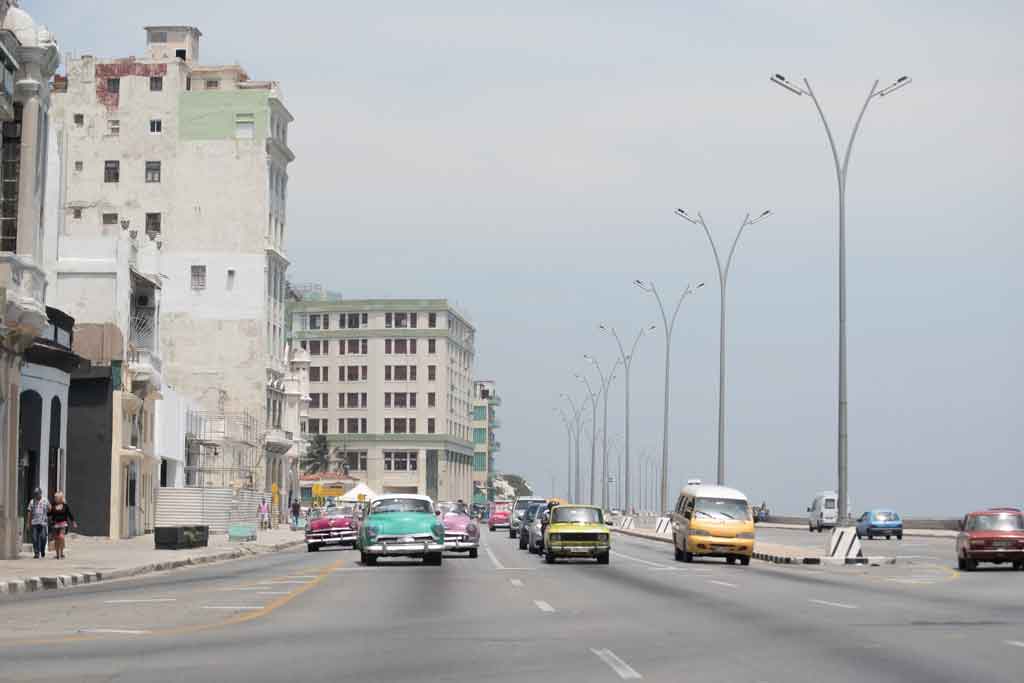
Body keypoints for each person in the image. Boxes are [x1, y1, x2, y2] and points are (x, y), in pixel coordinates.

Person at [48, 491, 76, 559]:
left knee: (61, 537)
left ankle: (62, 552)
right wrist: (48, 510)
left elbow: (69, 514)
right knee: (56, 540)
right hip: (55, 524)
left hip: (63, 524)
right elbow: (49, 514)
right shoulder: (53, 506)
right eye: (55, 498)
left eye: (56, 497)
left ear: (60, 498)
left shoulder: (65, 506)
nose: (55, 499)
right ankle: (58, 555)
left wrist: (73, 522)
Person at [26, 488, 50, 559]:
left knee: (43, 537)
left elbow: (50, 508)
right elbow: (29, 512)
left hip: (43, 523)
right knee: (34, 538)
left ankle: (42, 550)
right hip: (34, 522)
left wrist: (49, 515)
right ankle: (36, 553)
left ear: (40, 493)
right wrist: (28, 523)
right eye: (35, 494)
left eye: (37, 493)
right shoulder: (32, 501)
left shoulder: (45, 500)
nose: (36, 495)